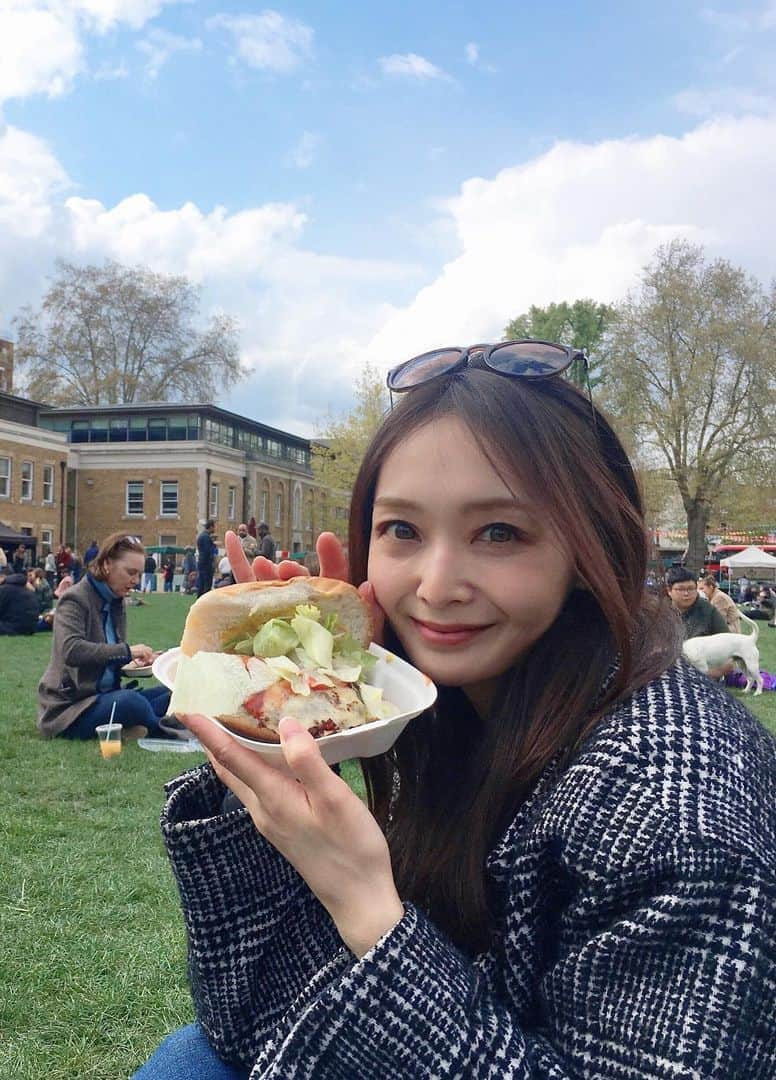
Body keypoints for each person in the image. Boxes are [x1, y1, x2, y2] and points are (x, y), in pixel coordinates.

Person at [135, 341, 775, 1078]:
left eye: (499, 533)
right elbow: (248, 1018)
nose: (436, 585)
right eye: (402, 531)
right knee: (191, 1058)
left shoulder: (675, 806)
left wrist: (372, 913)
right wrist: (295, 722)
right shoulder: (436, 708)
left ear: (590, 544)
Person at [37, 532, 170, 741]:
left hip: (105, 697)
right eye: (130, 572)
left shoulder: (116, 601)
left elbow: (106, 660)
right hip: (71, 708)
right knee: (131, 703)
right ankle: (161, 729)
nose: (135, 581)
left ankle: (137, 726)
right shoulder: (75, 599)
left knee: (173, 693)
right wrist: (127, 651)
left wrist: (138, 662)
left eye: (139, 574)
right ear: (107, 564)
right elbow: (72, 651)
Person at [665, 566, 728, 639]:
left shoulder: (708, 610)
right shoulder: (660, 612)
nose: (686, 593)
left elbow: (725, 639)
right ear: (669, 590)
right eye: (681, 589)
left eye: (691, 588)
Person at [0, 569, 41, 635]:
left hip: (13, 628)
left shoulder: (4, 589)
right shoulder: (27, 590)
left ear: (2, 577)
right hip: (30, 629)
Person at [196, 520, 216, 598]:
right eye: (214, 527)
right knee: (206, 585)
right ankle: (204, 603)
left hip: (202, 563)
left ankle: (199, 602)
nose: (214, 529)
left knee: (202, 584)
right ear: (211, 527)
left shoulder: (202, 536)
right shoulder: (206, 537)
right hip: (206, 564)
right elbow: (207, 551)